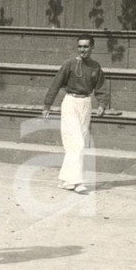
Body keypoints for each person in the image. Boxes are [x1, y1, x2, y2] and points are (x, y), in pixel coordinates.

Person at [42, 34, 110, 195]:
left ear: (92, 47)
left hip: (85, 104)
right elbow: (56, 83)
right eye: (80, 46)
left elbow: (101, 87)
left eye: (86, 46)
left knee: (77, 145)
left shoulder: (95, 66)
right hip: (71, 103)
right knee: (77, 143)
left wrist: (102, 104)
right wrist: (47, 104)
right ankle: (77, 181)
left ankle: (65, 180)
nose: (82, 50)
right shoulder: (69, 64)